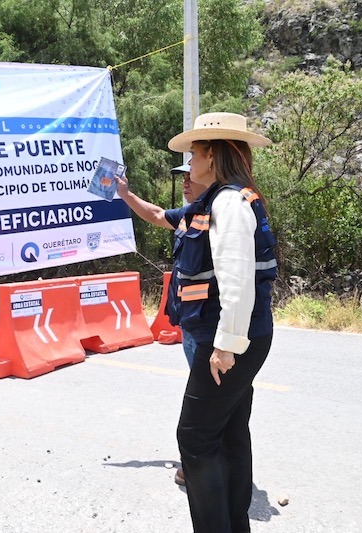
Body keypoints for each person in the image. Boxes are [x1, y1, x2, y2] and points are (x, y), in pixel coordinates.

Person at [166, 112, 277, 533]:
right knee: (230, 433)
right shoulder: (223, 198)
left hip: (232, 337)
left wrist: (225, 344)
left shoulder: (229, 201)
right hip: (243, 334)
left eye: (194, 154)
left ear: (212, 155)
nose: (189, 163)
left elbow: (236, 278)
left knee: (195, 439)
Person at [116, 161, 209, 487]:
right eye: (181, 176)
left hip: (209, 327)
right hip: (189, 324)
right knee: (208, 395)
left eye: (190, 175)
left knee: (205, 399)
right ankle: (206, 460)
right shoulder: (190, 215)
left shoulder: (221, 215)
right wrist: (125, 194)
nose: (185, 181)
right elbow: (156, 214)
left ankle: (197, 463)